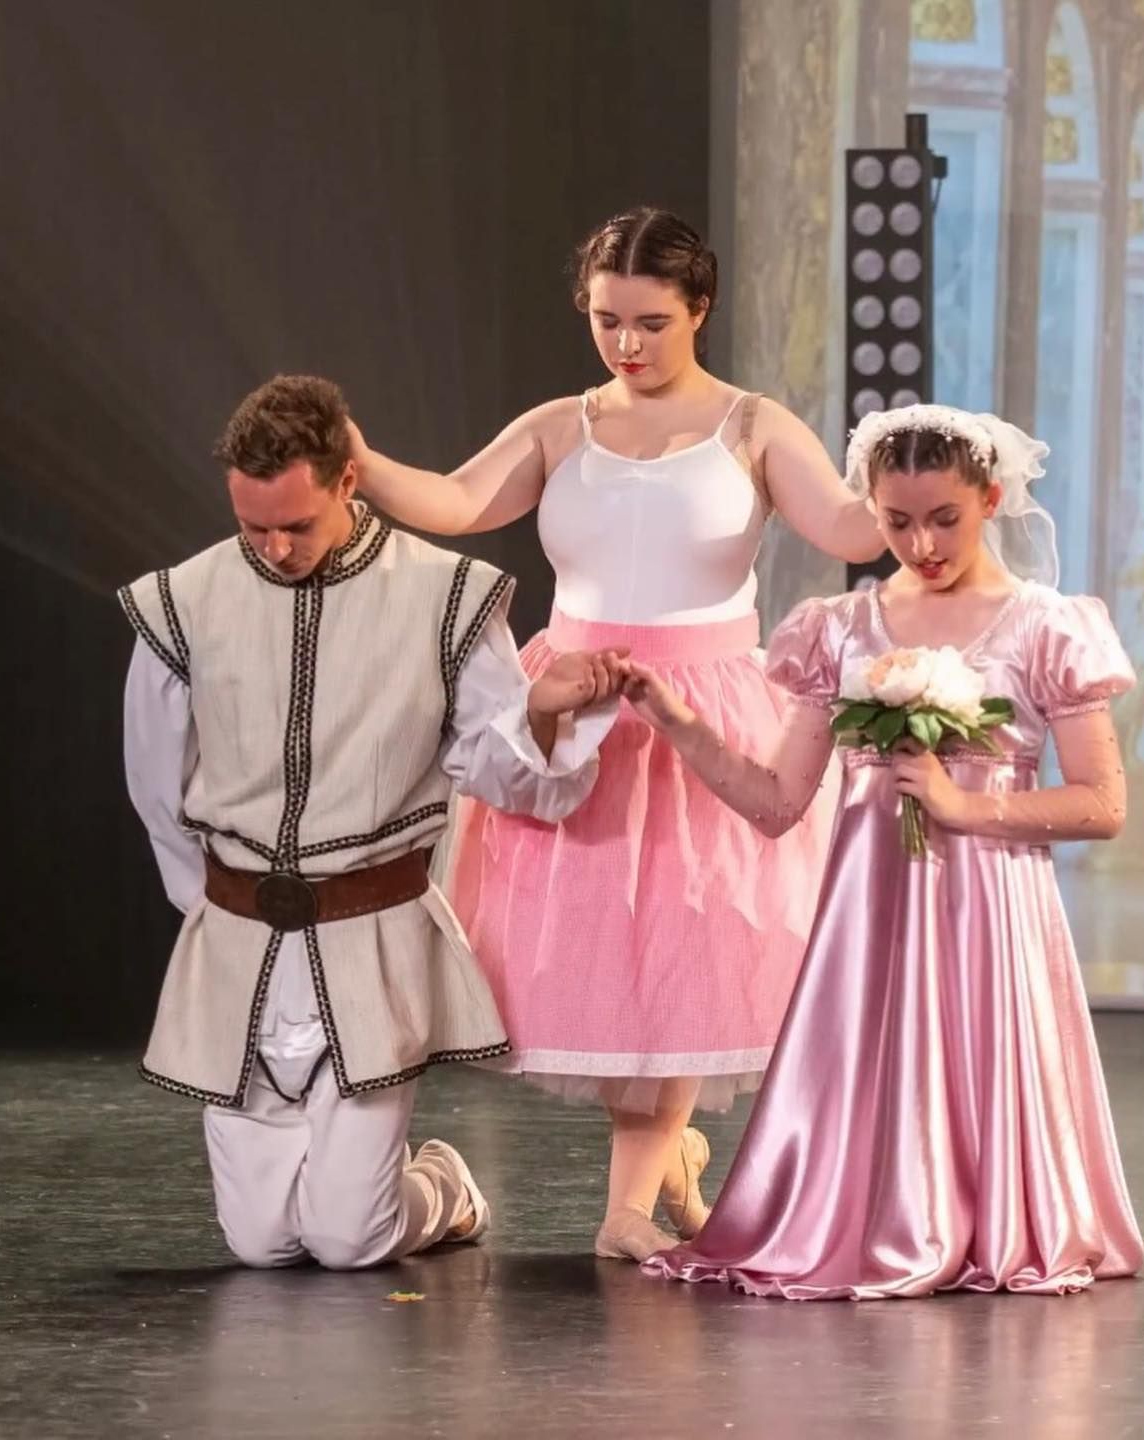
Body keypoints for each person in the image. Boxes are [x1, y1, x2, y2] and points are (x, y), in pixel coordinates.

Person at [346, 207, 886, 1261]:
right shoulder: (561, 425)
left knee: (685, 947)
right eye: (606, 321)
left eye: (649, 322)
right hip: (574, 706)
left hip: (703, 708)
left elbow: (852, 529)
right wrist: (359, 464)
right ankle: (660, 1167)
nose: (626, 344)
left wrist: (924, 470)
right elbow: (459, 502)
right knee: (599, 956)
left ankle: (629, 1203)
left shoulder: (753, 427)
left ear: (700, 309)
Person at [631, 404, 1144, 1298]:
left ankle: (985, 1217)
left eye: (945, 518)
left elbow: (1102, 805)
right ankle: (869, 1211)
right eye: (897, 521)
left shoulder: (1044, 628)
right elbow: (778, 801)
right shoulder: (840, 626)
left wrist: (960, 806)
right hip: (868, 924)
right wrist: (678, 723)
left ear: (990, 498)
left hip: (989, 916)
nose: (921, 543)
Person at [120, 374, 624, 1270]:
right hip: (239, 945)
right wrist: (211, 912)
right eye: (253, 527)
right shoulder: (183, 604)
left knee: (351, 1241)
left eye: (296, 525)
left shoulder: (444, 595)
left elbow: (501, 771)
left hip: (373, 942)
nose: (274, 547)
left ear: (347, 481)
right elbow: (158, 785)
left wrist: (549, 711)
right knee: (264, 1244)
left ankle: (441, 1183)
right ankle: (355, 1189)